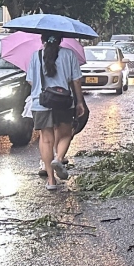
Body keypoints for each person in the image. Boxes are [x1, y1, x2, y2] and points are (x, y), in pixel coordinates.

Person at [27, 34, 86, 190]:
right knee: (66, 134)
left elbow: (30, 81)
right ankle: (58, 159)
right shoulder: (69, 54)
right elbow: (76, 80)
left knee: (46, 139)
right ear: (61, 40)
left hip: (41, 103)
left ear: (43, 41)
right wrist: (80, 102)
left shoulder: (36, 56)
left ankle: (51, 181)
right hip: (64, 102)